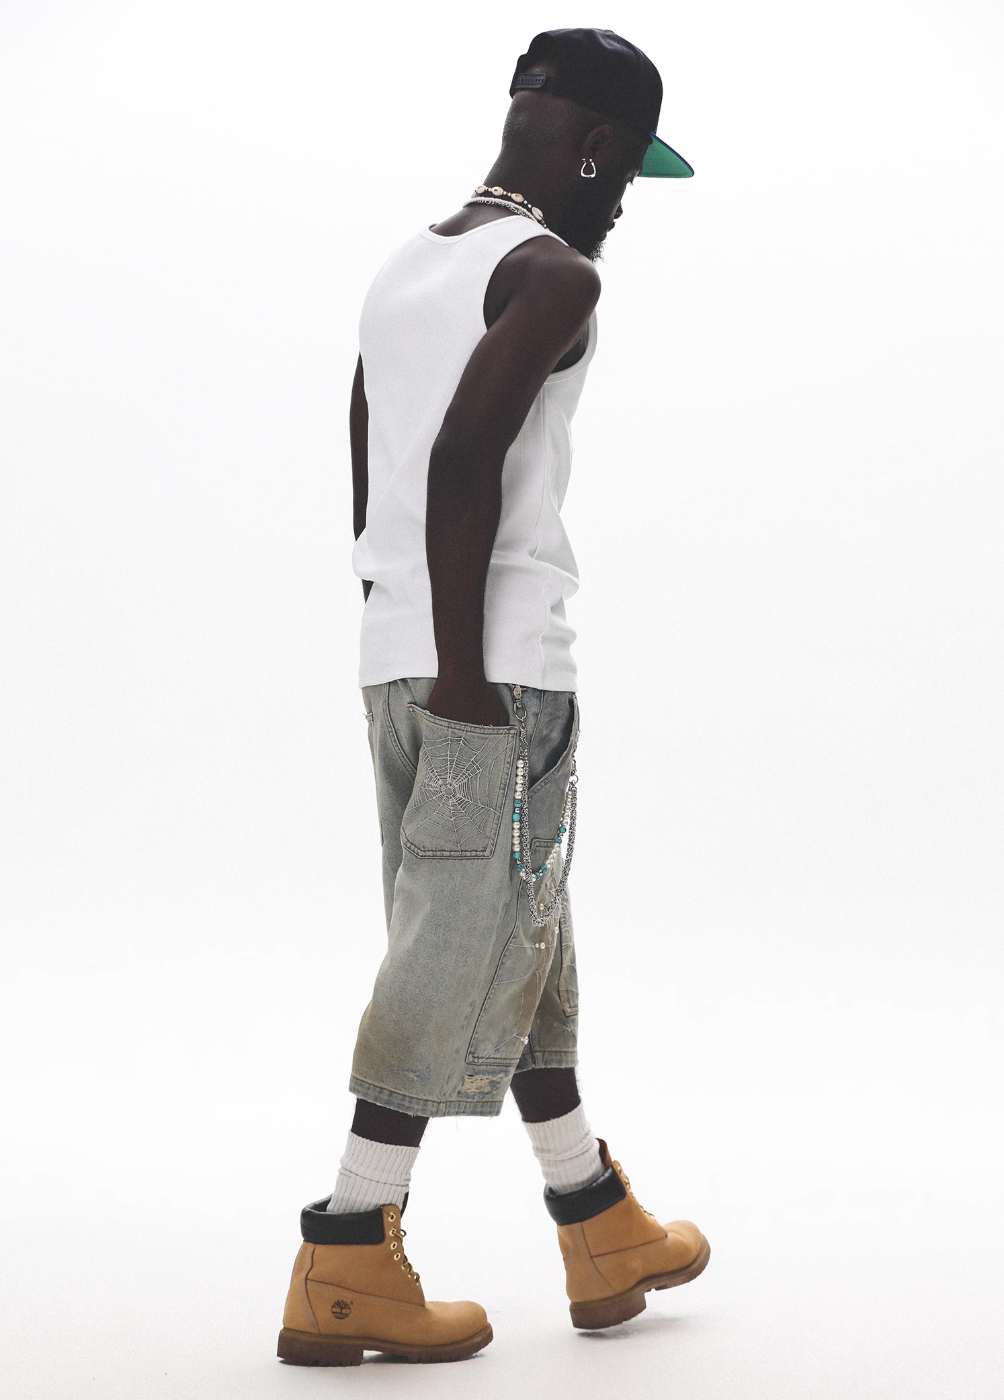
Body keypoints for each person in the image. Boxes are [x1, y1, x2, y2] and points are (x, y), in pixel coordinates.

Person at [277, 27, 709, 1368]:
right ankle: (351, 1246)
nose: (622, 202)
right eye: (624, 175)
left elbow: (369, 438)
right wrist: (468, 674)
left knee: (521, 935)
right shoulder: (554, 273)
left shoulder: (411, 264)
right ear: (593, 146)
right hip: (493, 671)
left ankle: (596, 1220)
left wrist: (396, 616)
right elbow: (464, 455)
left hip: (400, 657)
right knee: (456, 947)